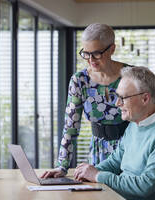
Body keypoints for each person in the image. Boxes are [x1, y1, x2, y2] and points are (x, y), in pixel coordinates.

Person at [73, 66, 155, 200]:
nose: (117, 103)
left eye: (123, 97)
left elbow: (144, 186)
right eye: (117, 96)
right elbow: (115, 162)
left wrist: (97, 175)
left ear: (145, 99)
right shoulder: (135, 123)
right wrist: (88, 172)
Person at [41, 23, 132, 178]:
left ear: (112, 49)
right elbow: (71, 127)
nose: (91, 60)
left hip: (130, 150)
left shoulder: (131, 76)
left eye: (96, 53)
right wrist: (62, 166)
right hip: (98, 153)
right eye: (86, 53)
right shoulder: (80, 80)